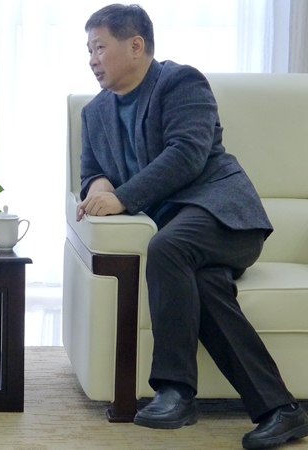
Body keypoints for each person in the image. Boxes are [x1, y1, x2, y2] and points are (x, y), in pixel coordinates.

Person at [77, 4, 308, 449]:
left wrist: (123, 197)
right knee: (203, 286)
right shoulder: (95, 112)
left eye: (99, 48)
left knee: (168, 248)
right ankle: (281, 410)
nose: (92, 59)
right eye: (88, 50)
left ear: (136, 45)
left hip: (225, 218)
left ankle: (175, 391)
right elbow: (91, 171)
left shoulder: (180, 82)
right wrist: (99, 184)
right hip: (182, 235)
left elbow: (187, 153)